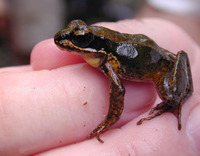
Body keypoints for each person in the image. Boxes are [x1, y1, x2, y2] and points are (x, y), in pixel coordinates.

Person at [0, 18, 199, 155]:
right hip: (149, 48)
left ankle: (179, 100)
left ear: (94, 43)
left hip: (160, 66)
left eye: (80, 39)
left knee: (170, 97)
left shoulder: (108, 61)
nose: (66, 40)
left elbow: (119, 90)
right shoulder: (100, 57)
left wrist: (109, 120)